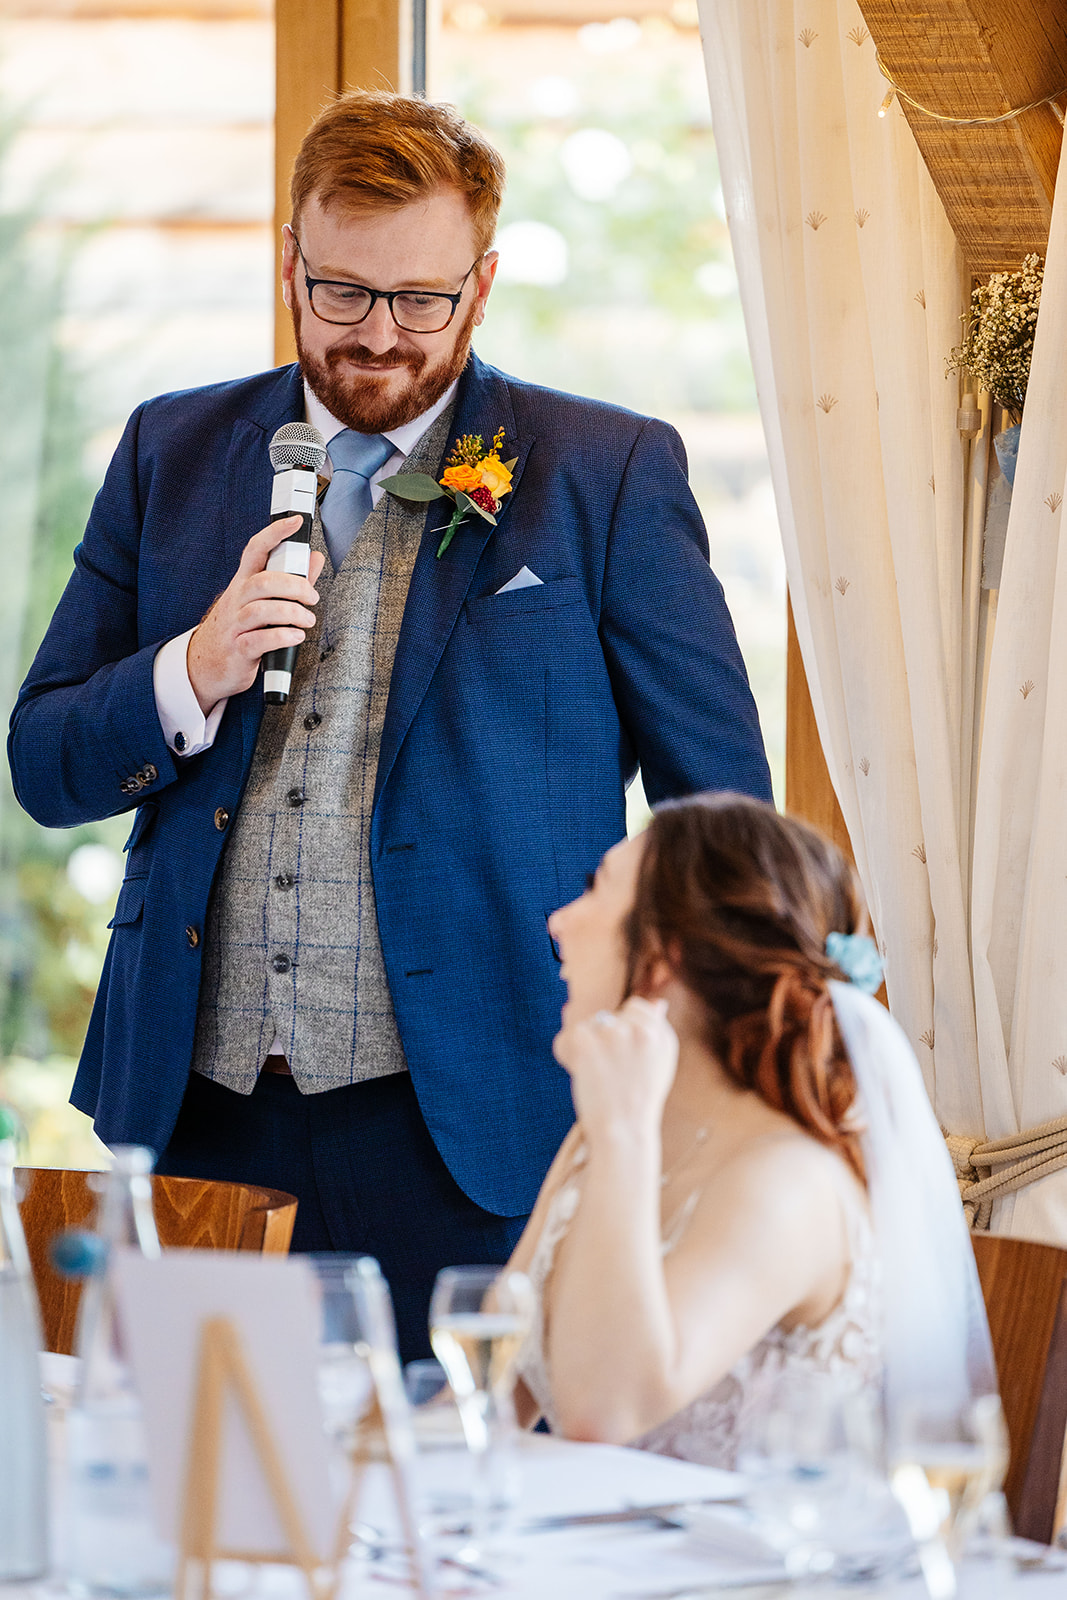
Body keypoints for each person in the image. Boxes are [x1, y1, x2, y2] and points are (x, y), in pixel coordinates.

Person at [7, 92, 771, 1360]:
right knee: (196, 1512)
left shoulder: (604, 470)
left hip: (478, 1111)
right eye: (344, 294)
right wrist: (192, 667)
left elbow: (722, 827)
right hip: (197, 1107)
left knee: (457, 1513)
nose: (378, 336)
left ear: (479, 284)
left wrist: (683, 1088)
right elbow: (42, 761)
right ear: (291, 264)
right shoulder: (172, 448)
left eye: (419, 300)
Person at [510, 793, 995, 1464]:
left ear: (662, 958)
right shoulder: (599, 1138)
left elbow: (603, 1411)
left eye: (596, 891)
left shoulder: (787, 1180)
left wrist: (620, 1130)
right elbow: (488, 1396)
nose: (559, 922)